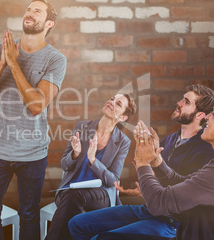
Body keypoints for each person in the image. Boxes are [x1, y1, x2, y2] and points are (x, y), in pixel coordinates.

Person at [0, 0, 67, 240]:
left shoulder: (55, 59)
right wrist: (1, 63)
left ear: (49, 23)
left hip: (32, 153)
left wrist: (13, 64)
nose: (30, 13)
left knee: (28, 214)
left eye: (37, 11)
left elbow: (36, 105)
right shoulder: (1, 50)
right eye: (28, 9)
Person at [68, 85, 214, 239]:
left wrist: (143, 164)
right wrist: (156, 163)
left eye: (186, 101)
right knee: (77, 224)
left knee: (100, 237)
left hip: (173, 221)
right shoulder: (169, 140)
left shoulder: (206, 150)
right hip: (151, 209)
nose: (179, 103)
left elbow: (171, 198)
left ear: (200, 115)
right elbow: (181, 182)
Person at [45, 94, 137, 240]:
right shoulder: (82, 127)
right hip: (71, 190)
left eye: (118, 104)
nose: (111, 102)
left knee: (73, 200)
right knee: (74, 204)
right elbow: (64, 164)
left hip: (101, 195)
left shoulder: (122, 141)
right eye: (112, 98)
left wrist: (93, 160)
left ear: (123, 118)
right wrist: (75, 154)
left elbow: (112, 180)